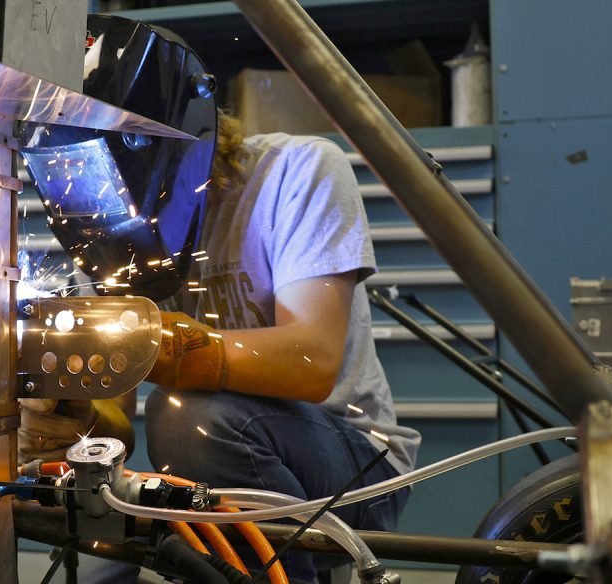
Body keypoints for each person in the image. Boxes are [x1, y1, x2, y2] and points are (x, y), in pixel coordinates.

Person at [142, 111, 421, 583]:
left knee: (185, 418)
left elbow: (310, 362)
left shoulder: (299, 170)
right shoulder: (109, 225)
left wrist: (164, 346)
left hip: (357, 466)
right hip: (235, 458)